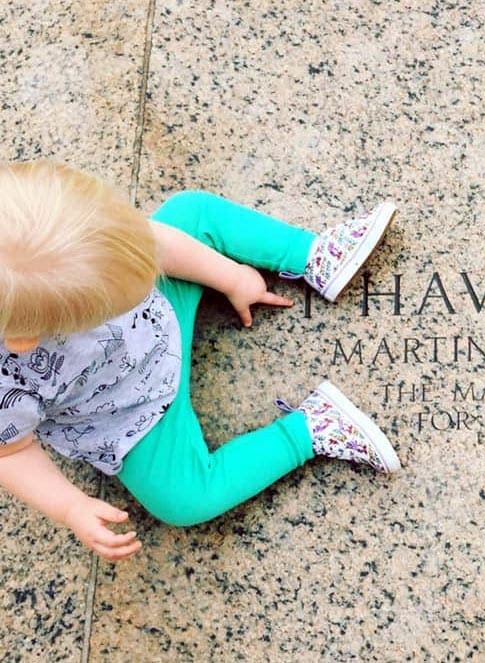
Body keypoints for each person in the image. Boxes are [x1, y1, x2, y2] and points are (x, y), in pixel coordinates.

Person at [0, 160, 401, 562]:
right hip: (127, 418)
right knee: (183, 500)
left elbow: (159, 243)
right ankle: (310, 429)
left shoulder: (81, 233)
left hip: (159, 318)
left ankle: (313, 254)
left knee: (190, 212)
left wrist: (231, 276)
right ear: (26, 339)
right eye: (118, 299)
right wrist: (70, 507)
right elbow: (11, 454)